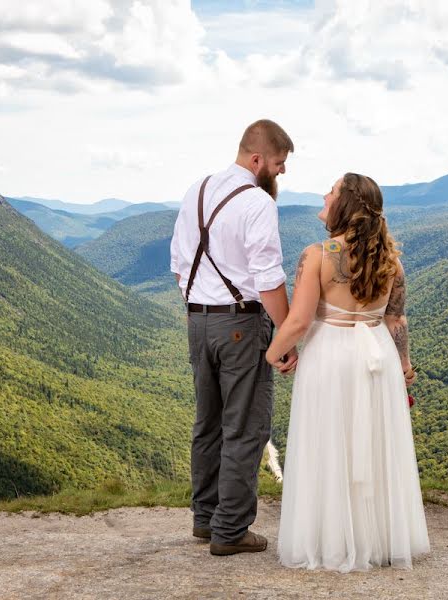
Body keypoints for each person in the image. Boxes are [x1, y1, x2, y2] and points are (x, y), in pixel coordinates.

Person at [268, 172, 431, 572]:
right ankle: (377, 541)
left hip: (330, 354)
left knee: (328, 442)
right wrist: (405, 366)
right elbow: (396, 320)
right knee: (373, 446)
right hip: (377, 356)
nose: (325, 194)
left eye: (332, 189)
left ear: (346, 204)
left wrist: (273, 353)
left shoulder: (317, 254)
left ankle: (331, 541)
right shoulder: (391, 260)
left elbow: (299, 321)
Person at [169, 119, 298, 556]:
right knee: (245, 427)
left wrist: (196, 309)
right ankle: (230, 530)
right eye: (279, 164)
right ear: (258, 158)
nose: (281, 172)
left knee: (207, 424)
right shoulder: (258, 204)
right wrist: (285, 336)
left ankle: (205, 520)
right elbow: (268, 280)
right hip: (241, 323)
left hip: (198, 321)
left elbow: (178, 263)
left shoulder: (197, 190)